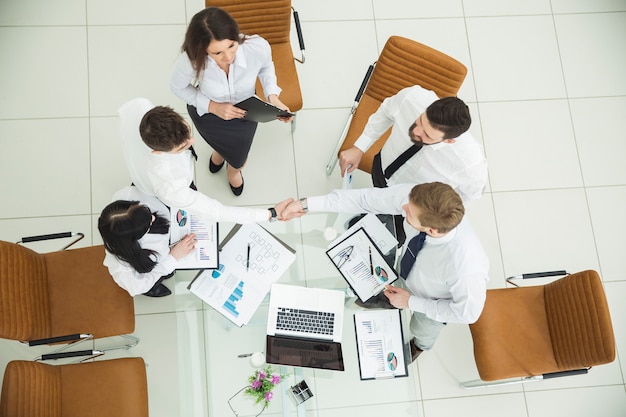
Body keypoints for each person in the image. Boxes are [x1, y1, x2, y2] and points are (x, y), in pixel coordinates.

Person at [282, 182, 489, 362]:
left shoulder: (466, 267)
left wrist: (411, 303)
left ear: (431, 230)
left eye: (409, 213)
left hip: (433, 299)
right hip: (407, 271)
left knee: (422, 329)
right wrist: (304, 204)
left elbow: (467, 314)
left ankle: (420, 346)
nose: (403, 207)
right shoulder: (418, 198)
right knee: (389, 281)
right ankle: (383, 298)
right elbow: (363, 199)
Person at [170, 7, 292, 196]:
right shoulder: (191, 59)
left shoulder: (256, 47)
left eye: (232, 46)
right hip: (208, 114)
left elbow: (266, 66)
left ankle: (233, 170)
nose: (228, 57)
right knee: (219, 144)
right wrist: (213, 106)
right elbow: (177, 87)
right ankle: (219, 153)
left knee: (239, 157)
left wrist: (272, 95)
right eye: (217, 53)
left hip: (246, 113)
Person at [118, 97, 292, 224]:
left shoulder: (141, 109)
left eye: (187, 131)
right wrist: (270, 214)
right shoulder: (171, 187)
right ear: (157, 151)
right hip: (163, 189)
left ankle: (220, 155)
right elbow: (218, 212)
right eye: (182, 147)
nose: (193, 142)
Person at [339, 85, 487, 205]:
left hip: (410, 202)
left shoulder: (469, 162)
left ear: (448, 141)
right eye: (420, 121)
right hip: (381, 168)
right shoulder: (412, 97)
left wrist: (438, 211)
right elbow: (385, 112)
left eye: (427, 135)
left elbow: (472, 192)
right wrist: (359, 148)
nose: (416, 131)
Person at [98, 186, 197, 297]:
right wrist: (173, 257)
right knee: (158, 277)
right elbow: (139, 285)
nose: (153, 218)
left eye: (144, 210)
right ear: (136, 238)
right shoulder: (124, 270)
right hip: (153, 268)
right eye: (147, 225)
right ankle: (153, 288)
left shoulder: (127, 194)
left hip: (169, 226)